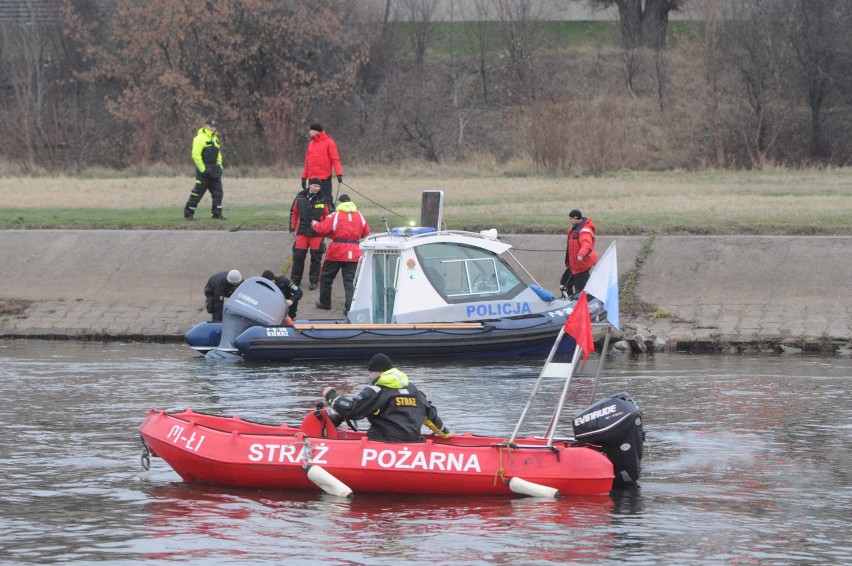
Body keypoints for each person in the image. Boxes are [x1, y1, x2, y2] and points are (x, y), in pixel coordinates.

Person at [322, 353, 452, 443]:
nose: (369, 377)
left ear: (380, 372)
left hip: (383, 442)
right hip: (413, 442)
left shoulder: (376, 391)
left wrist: (332, 396)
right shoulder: (414, 390)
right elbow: (431, 416)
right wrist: (446, 434)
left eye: (371, 372)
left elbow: (353, 410)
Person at [311, 194, 370, 315]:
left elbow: (323, 229)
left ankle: (325, 303)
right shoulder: (359, 215)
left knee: (326, 278)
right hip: (354, 252)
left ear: (340, 203)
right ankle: (350, 308)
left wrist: (314, 224)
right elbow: (366, 232)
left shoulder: (335, 215)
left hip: (337, 251)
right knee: (350, 281)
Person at [288, 178, 331, 290]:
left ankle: (314, 281)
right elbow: (294, 212)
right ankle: (295, 280)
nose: (317, 188)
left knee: (316, 258)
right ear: (310, 185)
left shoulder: (323, 199)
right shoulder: (300, 197)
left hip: (317, 233)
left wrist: (326, 230)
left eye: (319, 186)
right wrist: (292, 227)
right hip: (302, 232)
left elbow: (327, 216)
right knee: (298, 256)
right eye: (315, 186)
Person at [184, 118, 226, 220]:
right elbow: (196, 155)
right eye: (211, 126)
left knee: (218, 193)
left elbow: (218, 155)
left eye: (214, 126)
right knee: (197, 193)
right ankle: (188, 214)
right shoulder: (200, 138)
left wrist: (220, 166)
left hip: (215, 171)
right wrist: (203, 169)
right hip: (204, 172)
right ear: (206, 126)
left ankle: (217, 214)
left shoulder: (215, 138)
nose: (213, 128)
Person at [300, 123, 342, 205]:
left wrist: (339, 174)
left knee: (326, 200)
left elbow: (335, 160)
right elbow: (307, 163)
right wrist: (304, 177)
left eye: (311, 130)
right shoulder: (310, 144)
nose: (309, 132)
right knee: (312, 202)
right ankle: (312, 218)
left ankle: (329, 217)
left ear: (316, 131)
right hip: (312, 179)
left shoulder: (329, 143)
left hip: (325, 179)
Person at [560, 209, 599, 296]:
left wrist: (581, 255)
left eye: (570, 219)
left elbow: (586, 245)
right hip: (574, 265)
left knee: (581, 290)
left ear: (575, 218)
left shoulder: (584, 231)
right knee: (564, 284)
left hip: (581, 265)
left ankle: (583, 304)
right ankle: (568, 302)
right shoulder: (575, 229)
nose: (569, 221)